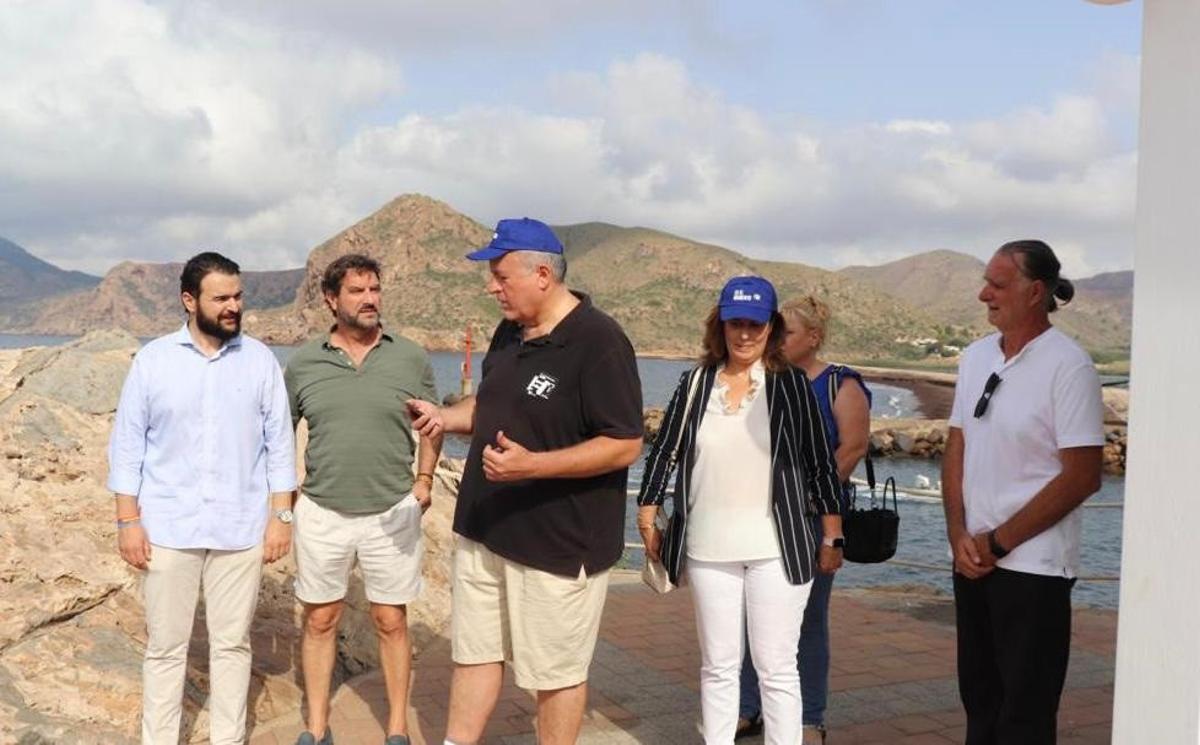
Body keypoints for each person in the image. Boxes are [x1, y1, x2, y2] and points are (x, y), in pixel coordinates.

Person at [407, 217, 643, 745]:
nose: (491, 287)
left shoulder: (599, 342)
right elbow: (490, 406)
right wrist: (446, 417)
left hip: (556, 544)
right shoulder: (509, 331)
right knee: (474, 654)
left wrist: (533, 466)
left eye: (500, 276)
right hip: (484, 526)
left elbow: (626, 443)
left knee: (554, 675)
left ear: (542, 274)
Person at [636, 275, 842, 745]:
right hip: (708, 547)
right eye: (735, 323)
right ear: (720, 326)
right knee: (719, 666)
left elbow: (819, 464)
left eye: (755, 323)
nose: (744, 334)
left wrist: (833, 536)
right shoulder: (694, 383)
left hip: (778, 547)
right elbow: (664, 450)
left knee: (775, 668)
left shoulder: (791, 385)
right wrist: (647, 512)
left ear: (771, 327)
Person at [108, 252, 297, 745]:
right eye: (222, 298)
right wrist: (128, 521)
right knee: (166, 648)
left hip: (241, 528)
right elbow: (127, 446)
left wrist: (281, 517)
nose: (233, 306)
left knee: (232, 646)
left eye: (238, 296)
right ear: (189, 301)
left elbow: (280, 445)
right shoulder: (153, 361)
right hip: (168, 527)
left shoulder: (260, 361)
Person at [943, 240, 1103, 745]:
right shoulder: (974, 358)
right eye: (985, 281)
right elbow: (956, 445)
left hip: (1033, 568)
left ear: (1035, 292)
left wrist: (996, 543)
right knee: (981, 703)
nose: (983, 294)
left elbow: (1082, 475)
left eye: (997, 284)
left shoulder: (1068, 366)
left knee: (1025, 716)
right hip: (973, 560)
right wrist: (957, 535)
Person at [284, 254, 442, 745]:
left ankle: (396, 729)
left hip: (393, 510)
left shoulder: (410, 357)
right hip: (321, 511)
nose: (370, 299)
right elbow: (278, 432)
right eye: (357, 291)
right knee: (321, 618)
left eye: (374, 289)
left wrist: (424, 481)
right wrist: (284, 501)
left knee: (391, 620)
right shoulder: (304, 362)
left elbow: (432, 424)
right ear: (332, 300)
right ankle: (315, 726)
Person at [736, 295, 872, 743]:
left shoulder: (839, 384)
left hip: (814, 519)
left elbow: (850, 449)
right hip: (759, 514)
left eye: (785, 332)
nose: (774, 339)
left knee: (808, 619)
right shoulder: (764, 380)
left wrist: (806, 500)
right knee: (750, 614)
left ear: (813, 338)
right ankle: (748, 706)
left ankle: (809, 717)